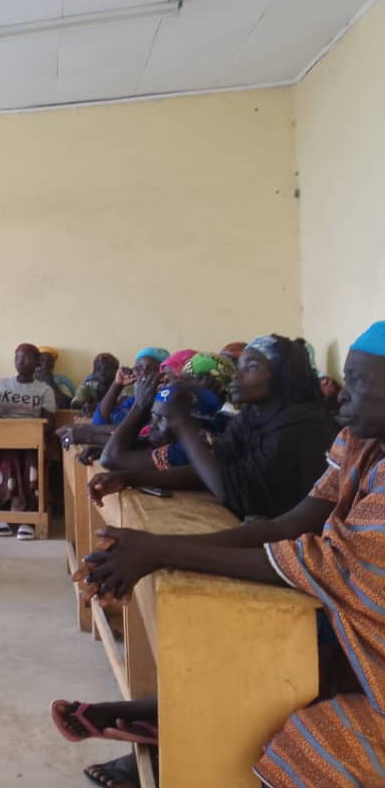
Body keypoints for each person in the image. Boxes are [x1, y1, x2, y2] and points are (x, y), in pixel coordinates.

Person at [61, 321, 385, 788]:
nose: (338, 393)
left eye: (358, 381)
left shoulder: (302, 427)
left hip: (354, 620)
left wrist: (162, 549)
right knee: (239, 628)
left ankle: (170, 726)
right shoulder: (358, 441)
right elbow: (288, 526)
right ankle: (170, 721)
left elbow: (328, 561)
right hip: (315, 577)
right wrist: (157, 546)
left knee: (311, 729)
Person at [89, 334, 337, 521]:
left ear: (282, 377)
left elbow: (230, 489)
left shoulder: (300, 427)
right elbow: (210, 467)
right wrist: (129, 478)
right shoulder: (253, 416)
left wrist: (181, 421)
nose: (237, 377)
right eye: (239, 368)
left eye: (250, 368)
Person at [0, 343, 56, 539]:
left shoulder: (44, 390)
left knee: (29, 460)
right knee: (9, 456)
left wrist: (26, 433)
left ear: (37, 363)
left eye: (26, 357)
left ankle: (25, 516)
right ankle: (8, 512)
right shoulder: (2, 384)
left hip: (31, 439)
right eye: (17, 357)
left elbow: (49, 424)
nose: (21, 361)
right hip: (4, 438)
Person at [98, 375, 221, 473]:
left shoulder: (190, 448)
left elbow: (109, 459)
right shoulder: (181, 440)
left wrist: (139, 405)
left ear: (194, 422)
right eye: (153, 415)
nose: (153, 424)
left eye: (164, 418)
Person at [93, 348, 169, 426]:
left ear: (165, 375)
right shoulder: (131, 402)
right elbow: (98, 422)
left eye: (153, 369)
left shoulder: (166, 404)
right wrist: (117, 385)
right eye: (139, 368)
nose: (143, 372)